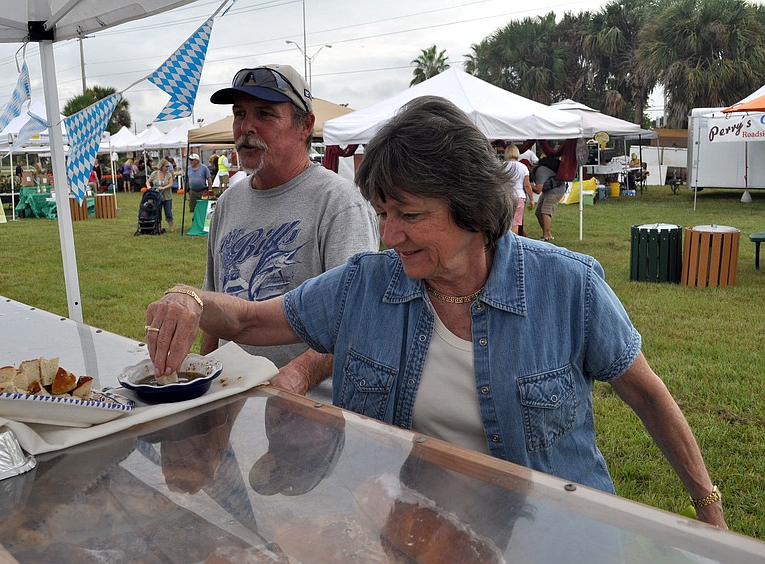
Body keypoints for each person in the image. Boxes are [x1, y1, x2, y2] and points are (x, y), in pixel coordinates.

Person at [146, 95, 726, 529]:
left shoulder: (567, 286)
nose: (389, 235)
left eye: (411, 215)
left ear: (471, 205)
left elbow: (648, 394)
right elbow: (247, 320)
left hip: (552, 535)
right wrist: (190, 298)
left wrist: (708, 508)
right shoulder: (364, 286)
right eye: (382, 213)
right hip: (412, 525)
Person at [169, 63, 379, 402]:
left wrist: (297, 375)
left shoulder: (339, 204)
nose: (246, 127)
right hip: (230, 400)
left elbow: (355, 319)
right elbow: (213, 310)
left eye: (265, 114)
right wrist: (202, 378)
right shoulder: (228, 202)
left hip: (308, 411)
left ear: (304, 126)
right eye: (239, 114)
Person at [533, 154, 566, 242]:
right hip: (548, 190)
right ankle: (548, 233)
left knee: (545, 211)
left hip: (556, 190)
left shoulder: (540, 171)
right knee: (538, 212)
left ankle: (546, 236)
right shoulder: (540, 169)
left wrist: (527, 185)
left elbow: (538, 190)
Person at [503, 144, 533, 235]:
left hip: (505, 195)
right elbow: (527, 185)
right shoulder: (523, 167)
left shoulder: (502, 166)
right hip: (519, 196)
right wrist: (531, 199)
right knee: (515, 223)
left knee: (505, 221)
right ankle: (513, 241)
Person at [147, 158, 175, 232]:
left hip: (167, 197)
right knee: (157, 212)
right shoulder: (154, 174)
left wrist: (163, 188)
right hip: (157, 197)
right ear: (161, 166)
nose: (167, 168)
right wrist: (149, 186)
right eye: (166, 166)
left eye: (168, 166)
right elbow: (148, 181)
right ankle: (158, 227)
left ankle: (171, 227)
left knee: (168, 212)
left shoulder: (168, 174)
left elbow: (171, 184)